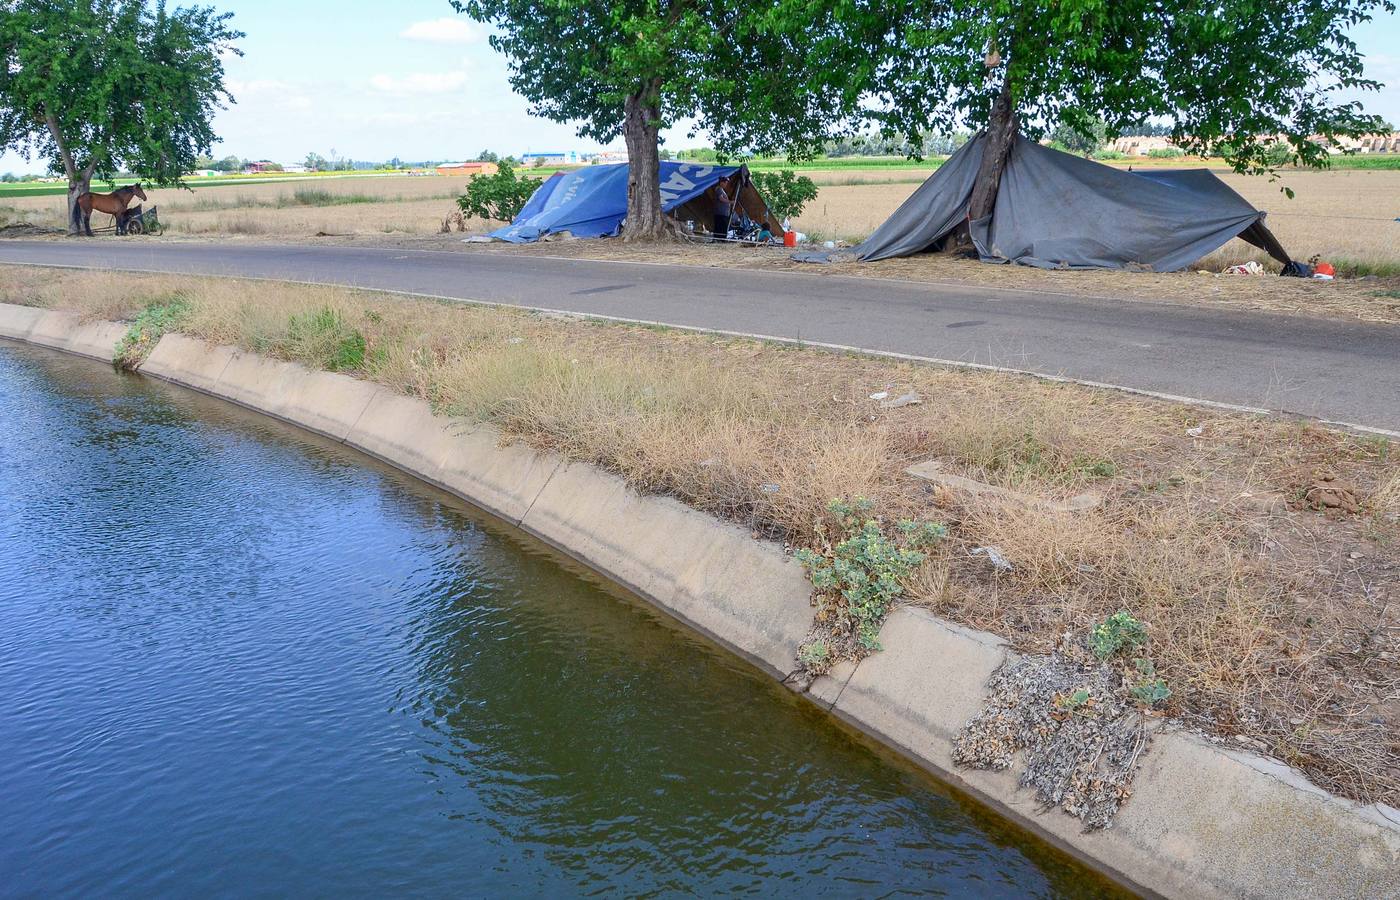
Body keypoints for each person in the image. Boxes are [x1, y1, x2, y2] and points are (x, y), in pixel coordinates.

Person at [712, 177, 732, 241]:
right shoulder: (719, 189)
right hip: (720, 212)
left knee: (722, 226)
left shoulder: (721, 190)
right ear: (721, 183)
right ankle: (720, 239)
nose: (726, 184)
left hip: (723, 212)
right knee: (720, 226)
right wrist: (730, 202)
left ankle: (721, 239)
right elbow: (721, 199)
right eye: (725, 183)